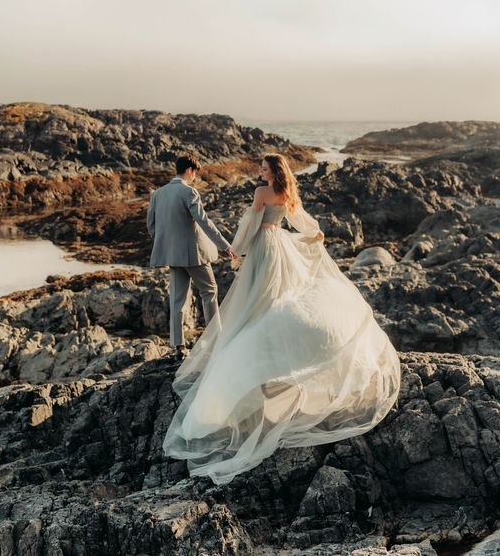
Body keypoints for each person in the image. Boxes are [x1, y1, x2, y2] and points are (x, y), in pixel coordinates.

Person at [162, 153, 401, 485]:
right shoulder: (287, 193)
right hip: (280, 245)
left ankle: (259, 342)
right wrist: (315, 234)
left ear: (273, 172)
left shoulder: (261, 194)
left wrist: (236, 249)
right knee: (279, 295)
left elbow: (250, 226)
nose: (259, 172)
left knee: (258, 298)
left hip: (264, 246)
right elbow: (300, 219)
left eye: (263, 168)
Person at [147, 154, 236, 355]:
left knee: (177, 300)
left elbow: (151, 226)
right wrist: (224, 245)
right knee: (210, 291)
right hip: (194, 254)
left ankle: (178, 346)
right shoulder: (189, 192)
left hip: (172, 255)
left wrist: (167, 243)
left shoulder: (158, 194)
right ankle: (216, 339)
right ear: (189, 170)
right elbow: (204, 221)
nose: (194, 177)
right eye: (194, 173)